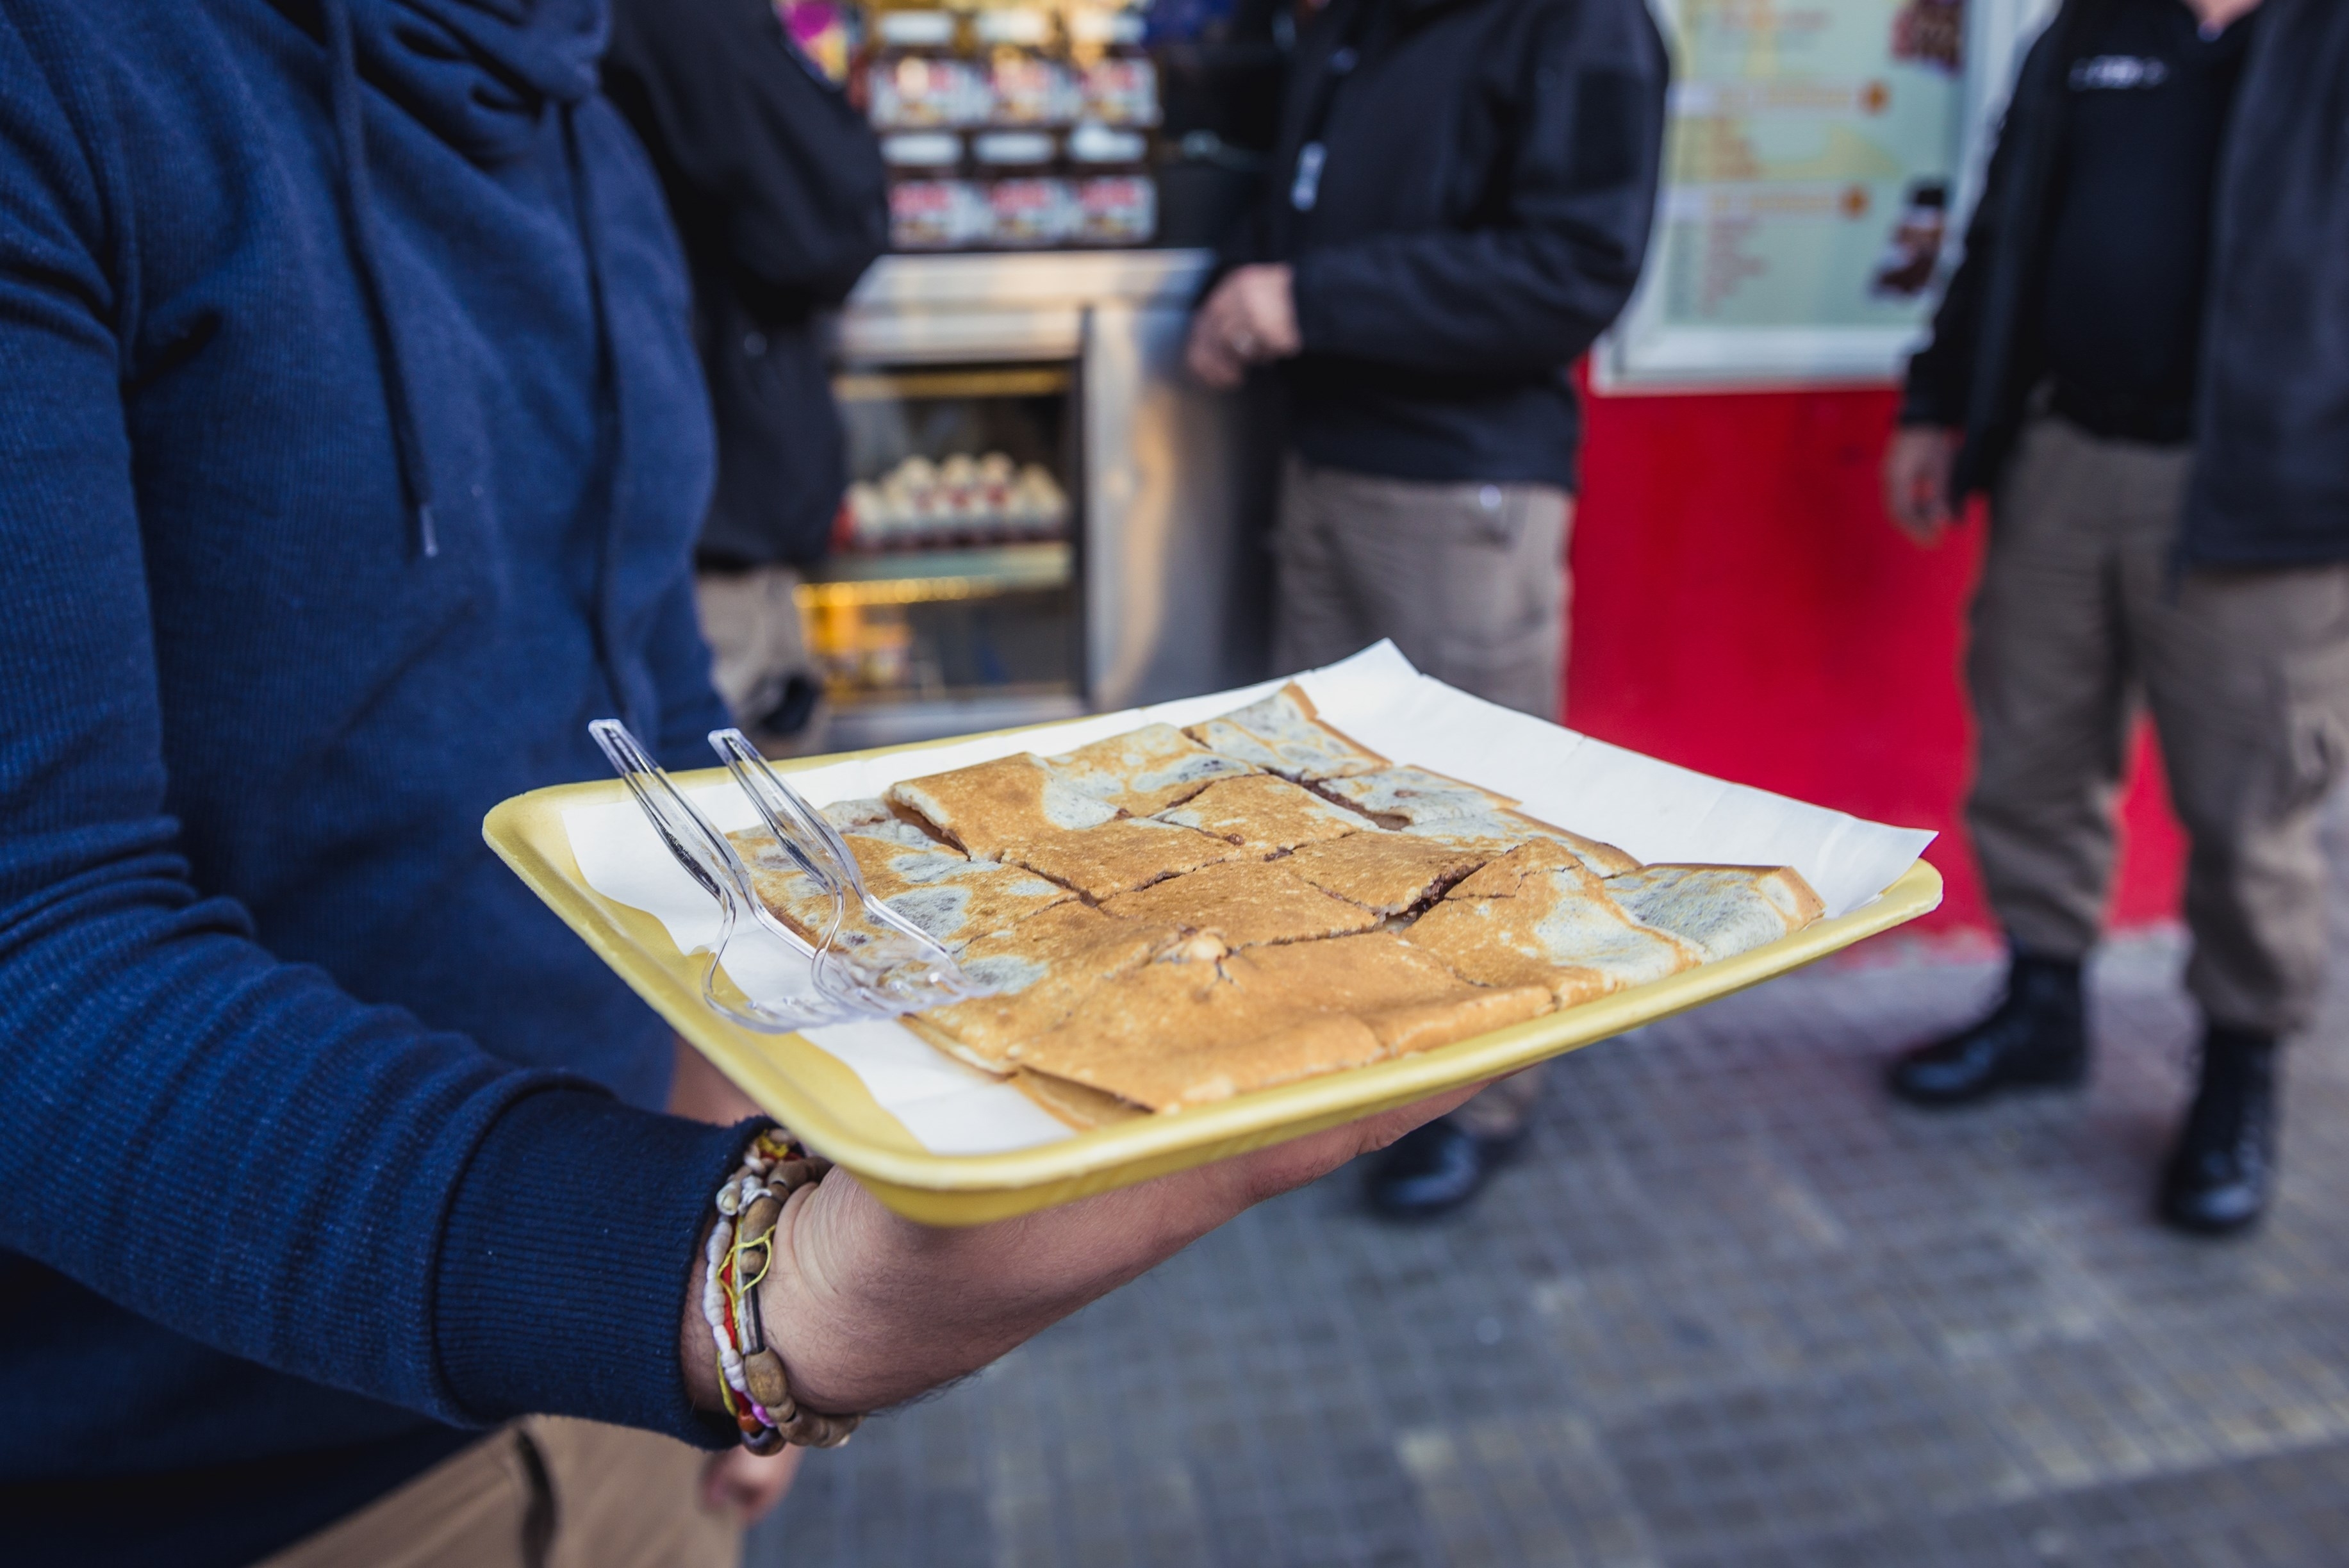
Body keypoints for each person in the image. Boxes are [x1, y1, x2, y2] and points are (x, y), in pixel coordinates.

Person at [0, 3, 1481, 1562]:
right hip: (206, 1486)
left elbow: (649, 705)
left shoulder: (591, 124)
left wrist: (737, 1178)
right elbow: (32, 934)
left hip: (616, 1396)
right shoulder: (64, 82)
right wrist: (714, 1290)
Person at [1185, 0, 1667, 1219]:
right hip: (1322, 462)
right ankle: (1362, 1067)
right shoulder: (1357, 19)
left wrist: (1315, 301)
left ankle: (1481, 1100)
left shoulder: (1587, 26)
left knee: (1480, 828)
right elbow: (1301, 197)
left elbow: (1572, 270)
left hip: (1464, 490)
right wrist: (1243, 281)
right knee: (1329, 804)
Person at [1882, 0, 2349, 1235]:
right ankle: (2042, 1007)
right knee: (2031, 753)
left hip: (2263, 494)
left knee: (2252, 810)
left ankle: (2239, 1074)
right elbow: (2005, 228)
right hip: (2066, 453)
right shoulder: (2086, 30)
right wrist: (1940, 398)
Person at [602, 0, 889, 743]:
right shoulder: (688, 18)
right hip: (700, 521)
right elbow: (827, 223)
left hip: (679, 491)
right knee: (729, 827)